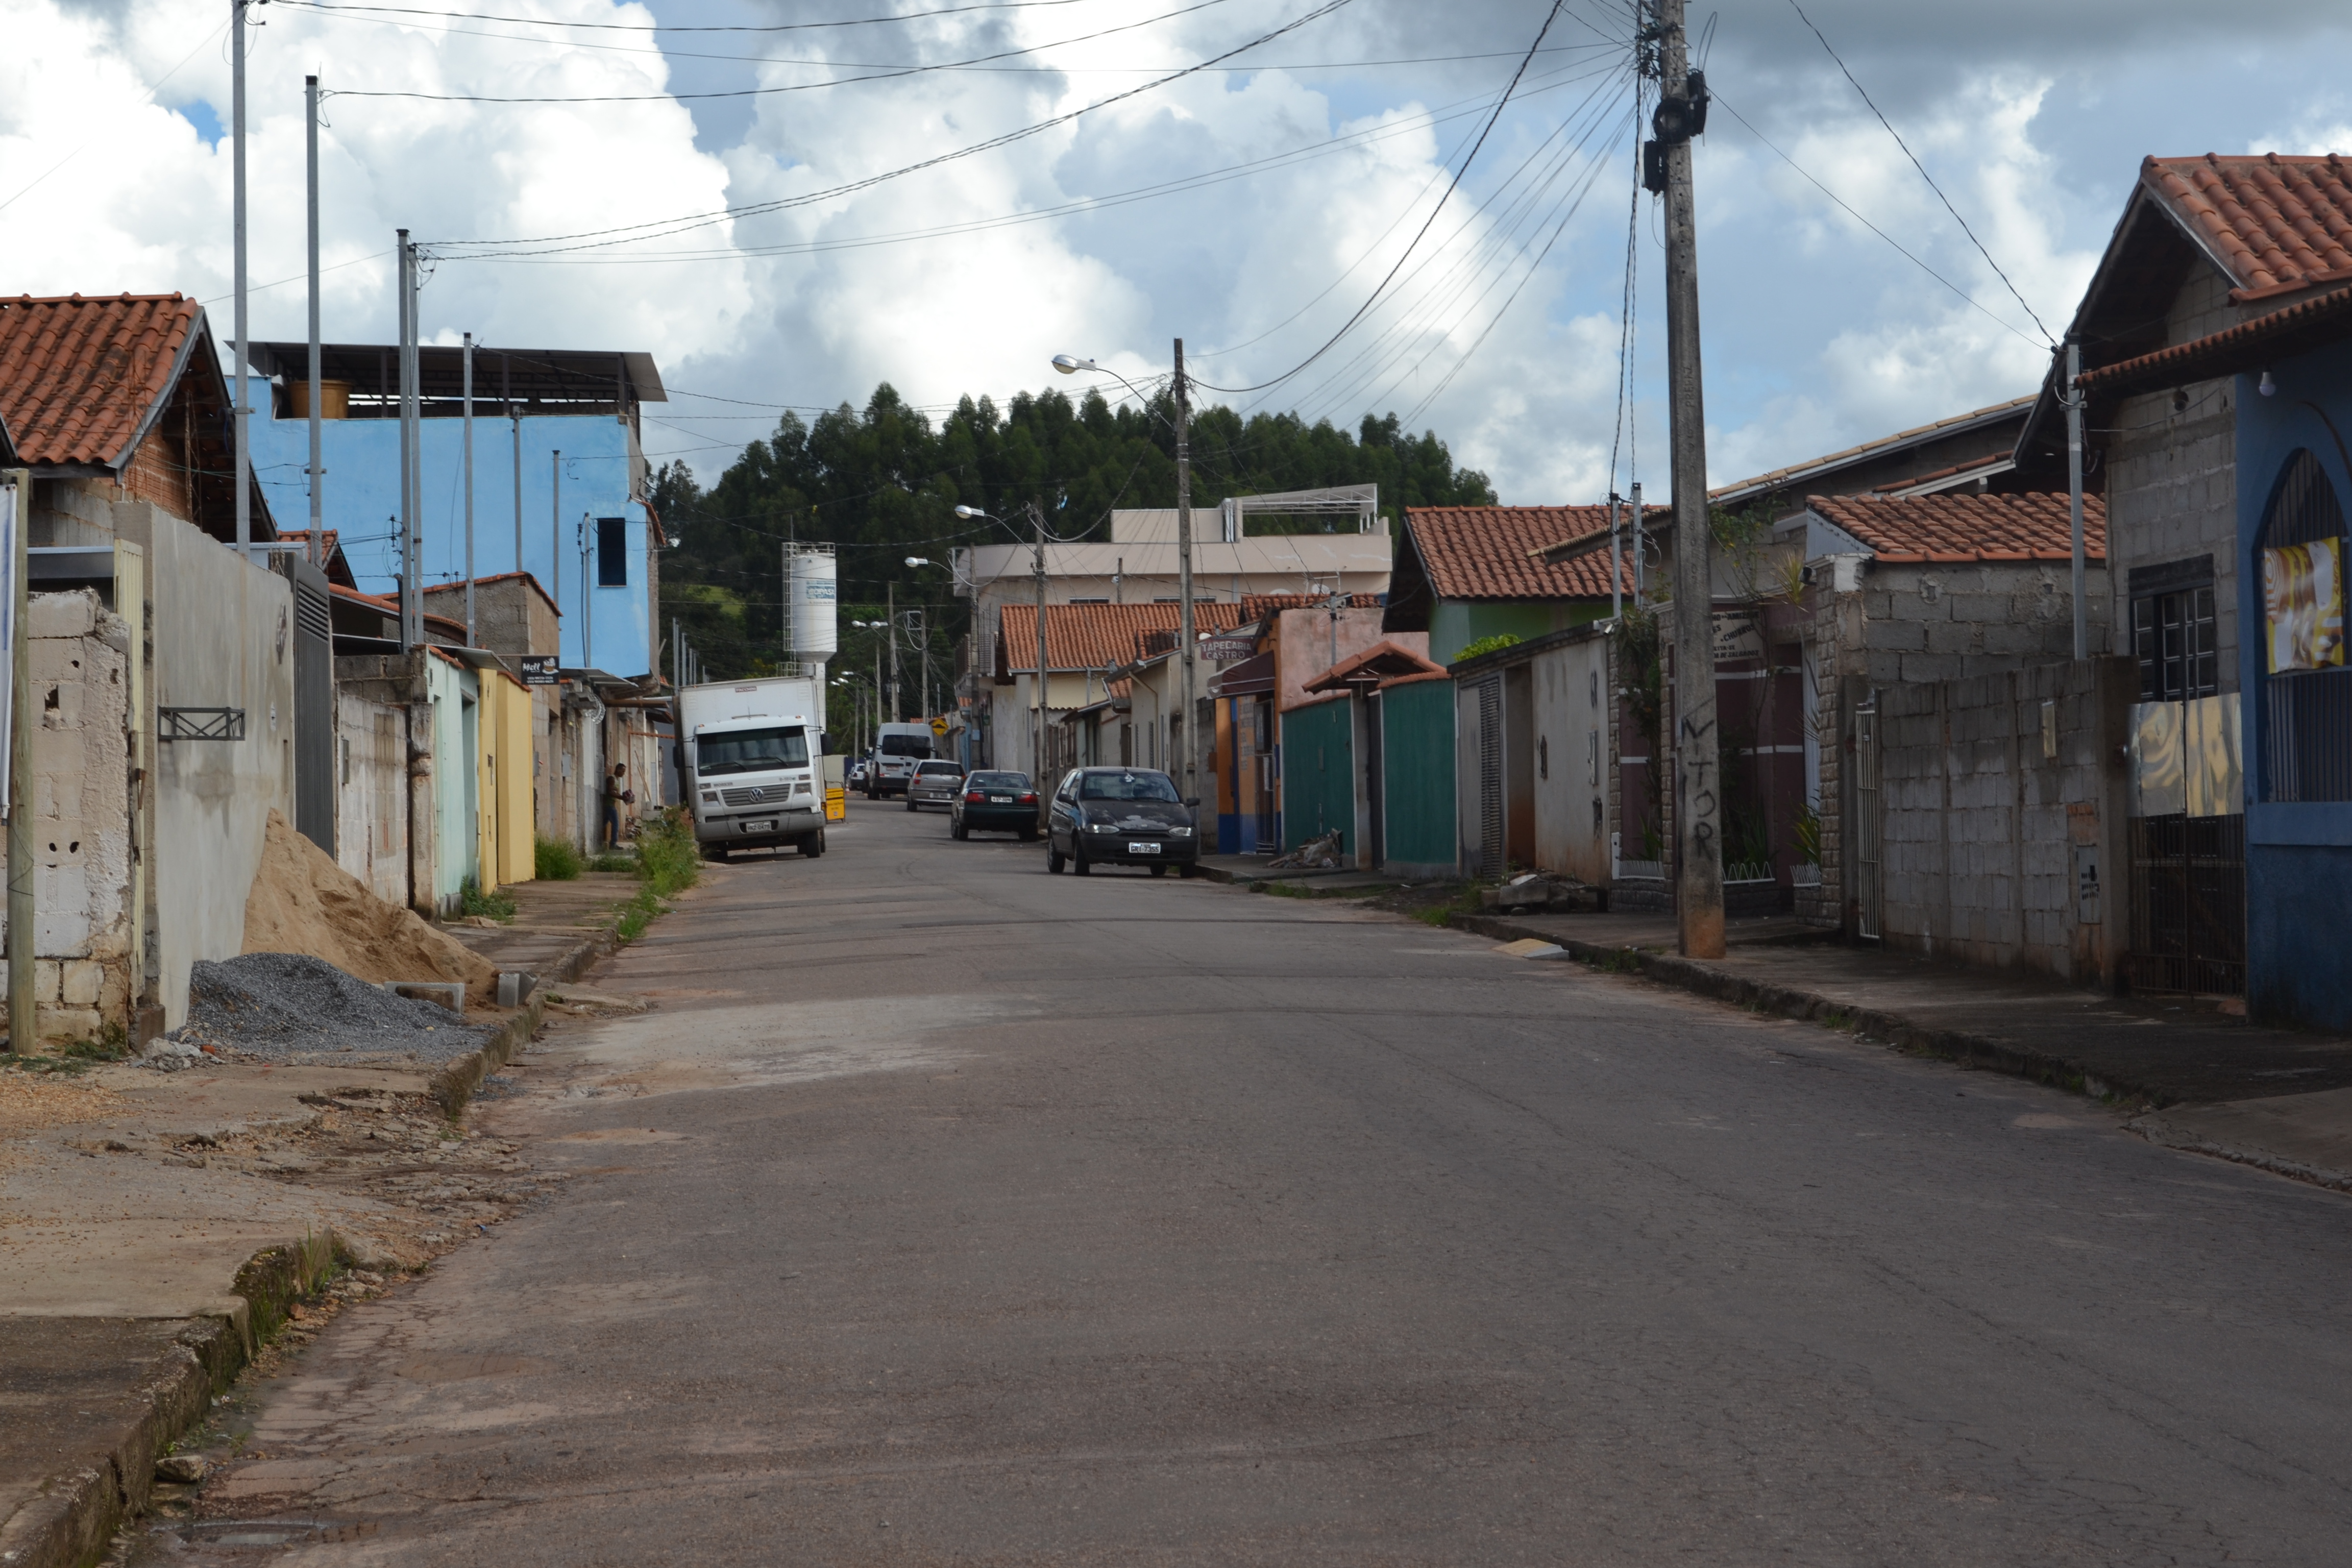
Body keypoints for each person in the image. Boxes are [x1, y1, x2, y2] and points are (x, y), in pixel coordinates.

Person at [603, 763, 633, 849]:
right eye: (623, 771)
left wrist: (626, 798)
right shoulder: (612, 779)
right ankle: (613, 844)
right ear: (618, 770)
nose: (624, 773)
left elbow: (615, 793)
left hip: (611, 805)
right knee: (616, 824)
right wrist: (622, 797)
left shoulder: (616, 780)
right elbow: (610, 792)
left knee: (603, 823)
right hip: (609, 806)